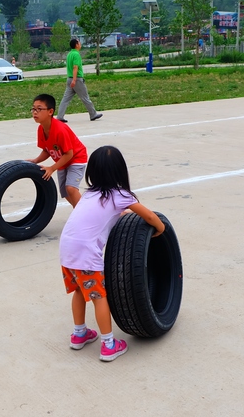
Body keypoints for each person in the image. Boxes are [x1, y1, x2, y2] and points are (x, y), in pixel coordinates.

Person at [59, 145, 165, 362]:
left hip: (67, 250)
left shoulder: (89, 195)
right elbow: (152, 218)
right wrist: (161, 231)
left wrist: (122, 212)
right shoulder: (121, 195)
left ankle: (79, 334)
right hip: (87, 254)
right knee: (99, 296)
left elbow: (99, 214)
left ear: (92, 172)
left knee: (80, 291)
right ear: (120, 171)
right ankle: (109, 344)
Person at [28, 93, 87, 208]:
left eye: (39, 109)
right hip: (63, 161)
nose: (35, 112)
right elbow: (47, 150)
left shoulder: (60, 130)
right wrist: (36, 160)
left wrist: (52, 168)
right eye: (33, 109)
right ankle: (79, 210)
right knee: (64, 192)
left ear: (50, 112)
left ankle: (84, 214)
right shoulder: (41, 129)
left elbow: (69, 153)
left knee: (70, 188)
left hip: (76, 158)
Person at [56, 39, 103, 123]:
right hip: (76, 79)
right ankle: (93, 114)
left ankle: (59, 116)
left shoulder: (69, 54)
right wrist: (74, 80)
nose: (80, 44)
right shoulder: (76, 54)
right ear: (76, 45)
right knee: (85, 97)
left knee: (65, 99)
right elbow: (75, 67)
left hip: (69, 79)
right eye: (79, 42)